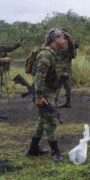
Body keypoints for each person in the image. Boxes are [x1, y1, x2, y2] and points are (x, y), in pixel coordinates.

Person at [26, 29, 67, 161]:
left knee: (42, 121)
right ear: (55, 39)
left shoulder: (53, 53)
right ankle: (55, 152)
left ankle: (33, 149)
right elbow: (39, 77)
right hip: (44, 92)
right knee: (51, 121)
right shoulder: (46, 55)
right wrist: (38, 96)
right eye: (62, 37)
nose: (64, 40)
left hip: (49, 91)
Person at [56, 29, 77, 108]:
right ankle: (65, 102)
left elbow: (73, 55)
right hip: (62, 67)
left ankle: (67, 102)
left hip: (64, 67)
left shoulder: (69, 44)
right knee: (60, 85)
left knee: (65, 85)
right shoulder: (65, 44)